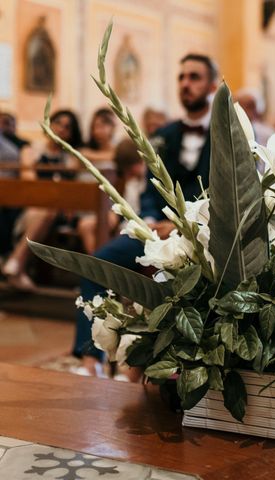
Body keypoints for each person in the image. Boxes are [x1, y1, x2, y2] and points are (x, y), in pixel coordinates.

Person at [72, 53, 219, 377]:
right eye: (181, 77)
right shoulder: (163, 136)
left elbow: (226, 195)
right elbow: (151, 193)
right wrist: (152, 222)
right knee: (96, 265)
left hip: (203, 240)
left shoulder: (225, 134)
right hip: (156, 233)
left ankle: (149, 367)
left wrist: (186, 226)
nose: (186, 84)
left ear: (211, 85)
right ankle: (90, 360)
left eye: (194, 77)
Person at [1, 110, 83, 290]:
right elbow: (29, 183)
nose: (61, 129)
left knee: (49, 210)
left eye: (67, 127)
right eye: (58, 123)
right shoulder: (31, 150)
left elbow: (71, 191)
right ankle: (16, 266)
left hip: (59, 213)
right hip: (31, 207)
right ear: (49, 124)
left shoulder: (71, 158)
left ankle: (15, 263)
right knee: (45, 210)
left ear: (71, 133)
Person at [76, 139, 147, 254]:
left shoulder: (146, 179)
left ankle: (101, 261)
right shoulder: (126, 180)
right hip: (121, 213)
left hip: (137, 218)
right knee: (85, 225)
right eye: (126, 170)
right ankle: (98, 261)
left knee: (105, 226)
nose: (128, 173)